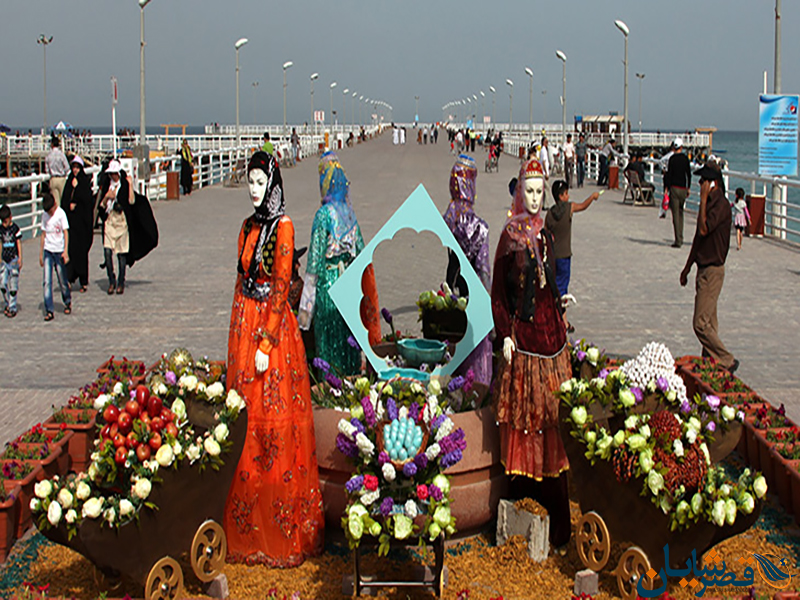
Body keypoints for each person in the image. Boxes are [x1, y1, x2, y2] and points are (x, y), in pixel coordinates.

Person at [224, 151, 324, 565]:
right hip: (245, 323)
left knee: (273, 418)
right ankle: (248, 526)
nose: (254, 190)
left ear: (274, 184)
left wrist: (265, 343)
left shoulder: (283, 228)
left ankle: (281, 526)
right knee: (245, 417)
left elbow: (281, 286)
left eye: (260, 183)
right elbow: (240, 277)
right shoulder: (248, 226)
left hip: (272, 331)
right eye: (249, 183)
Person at [491, 157, 571, 549]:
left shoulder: (547, 234)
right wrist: (504, 331)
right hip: (524, 342)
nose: (537, 198)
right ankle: (523, 503)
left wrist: (560, 301)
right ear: (519, 191)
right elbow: (499, 292)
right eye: (530, 190)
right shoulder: (510, 236)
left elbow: (549, 280)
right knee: (528, 420)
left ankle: (557, 522)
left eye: (541, 191)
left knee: (553, 419)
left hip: (553, 339)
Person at [298, 151, 381, 374]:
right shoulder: (350, 214)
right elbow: (362, 254)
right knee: (348, 345)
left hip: (329, 289)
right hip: (349, 289)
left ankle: (329, 394)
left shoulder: (323, 215)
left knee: (329, 347)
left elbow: (314, 264)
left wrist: (304, 315)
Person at [680, 158, 737, 373]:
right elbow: (698, 238)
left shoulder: (720, 205)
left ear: (713, 183)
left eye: (704, 181)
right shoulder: (711, 205)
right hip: (703, 268)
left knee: (700, 323)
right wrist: (687, 267)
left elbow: (704, 230)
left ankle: (726, 359)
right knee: (710, 323)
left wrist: (703, 199)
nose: (700, 184)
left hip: (713, 270)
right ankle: (710, 362)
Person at [443, 154, 492, 386]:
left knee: (453, 352)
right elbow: (484, 272)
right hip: (472, 299)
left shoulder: (447, 218)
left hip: (453, 292)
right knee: (475, 359)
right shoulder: (480, 227)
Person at [545, 180, 600, 333]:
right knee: (562, 290)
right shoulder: (569, 208)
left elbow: (545, 233)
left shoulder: (550, 213)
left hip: (553, 256)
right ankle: (560, 323)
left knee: (555, 287)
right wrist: (592, 197)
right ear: (561, 196)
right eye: (566, 193)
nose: (568, 196)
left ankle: (563, 321)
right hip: (565, 256)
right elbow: (582, 205)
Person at [98, 160, 131, 295]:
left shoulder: (123, 186)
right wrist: (107, 198)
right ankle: (111, 280)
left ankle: (121, 282)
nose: (112, 176)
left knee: (121, 255)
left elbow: (130, 202)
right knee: (107, 252)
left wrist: (130, 185)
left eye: (114, 174)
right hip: (110, 221)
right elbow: (101, 206)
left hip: (121, 221)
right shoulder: (107, 185)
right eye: (110, 174)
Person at [62, 156, 94, 293]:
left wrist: (77, 202)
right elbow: (64, 199)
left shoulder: (84, 182)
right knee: (71, 251)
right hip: (71, 223)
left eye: (77, 167)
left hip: (81, 223)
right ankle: (69, 278)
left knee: (81, 252)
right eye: (73, 167)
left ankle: (83, 280)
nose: (75, 170)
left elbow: (87, 201)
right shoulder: (69, 181)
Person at [39, 193, 71, 321]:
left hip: (59, 250)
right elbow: (43, 234)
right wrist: (41, 253)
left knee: (62, 279)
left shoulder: (61, 214)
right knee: (47, 281)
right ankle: (49, 309)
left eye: (51, 211)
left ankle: (67, 300)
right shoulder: (44, 216)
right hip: (48, 249)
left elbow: (65, 232)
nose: (50, 214)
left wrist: (65, 251)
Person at [665, 137, 692, 247]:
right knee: (681, 213)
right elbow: (689, 174)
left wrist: (666, 188)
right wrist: (688, 187)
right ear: (681, 147)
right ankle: (681, 235)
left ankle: (678, 240)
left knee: (675, 215)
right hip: (683, 189)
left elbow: (669, 175)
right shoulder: (685, 159)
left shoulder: (672, 159)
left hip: (674, 188)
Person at [0, 204, 22, 318]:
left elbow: (18, 242)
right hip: (4, 260)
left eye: (6, 221)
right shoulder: (0, 230)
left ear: (10, 217)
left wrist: (20, 258)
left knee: (13, 285)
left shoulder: (15, 229)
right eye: (2, 222)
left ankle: (12, 307)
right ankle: (8, 302)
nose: (4, 224)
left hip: (13, 259)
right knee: (3, 284)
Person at [45, 136, 70, 207]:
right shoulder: (61, 154)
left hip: (53, 179)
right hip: (61, 179)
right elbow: (67, 167)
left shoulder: (49, 155)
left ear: (52, 144)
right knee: (64, 201)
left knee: (56, 203)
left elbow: (47, 169)